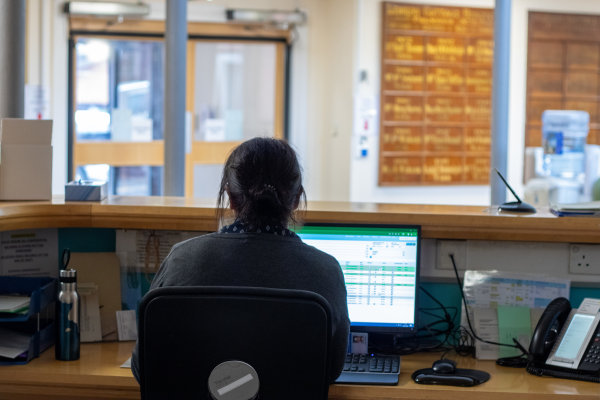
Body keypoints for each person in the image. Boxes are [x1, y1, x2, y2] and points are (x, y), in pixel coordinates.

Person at [131, 137, 350, 383]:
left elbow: (143, 367)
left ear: (231, 197)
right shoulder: (325, 270)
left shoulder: (182, 259)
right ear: (296, 198)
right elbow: (332, 369)